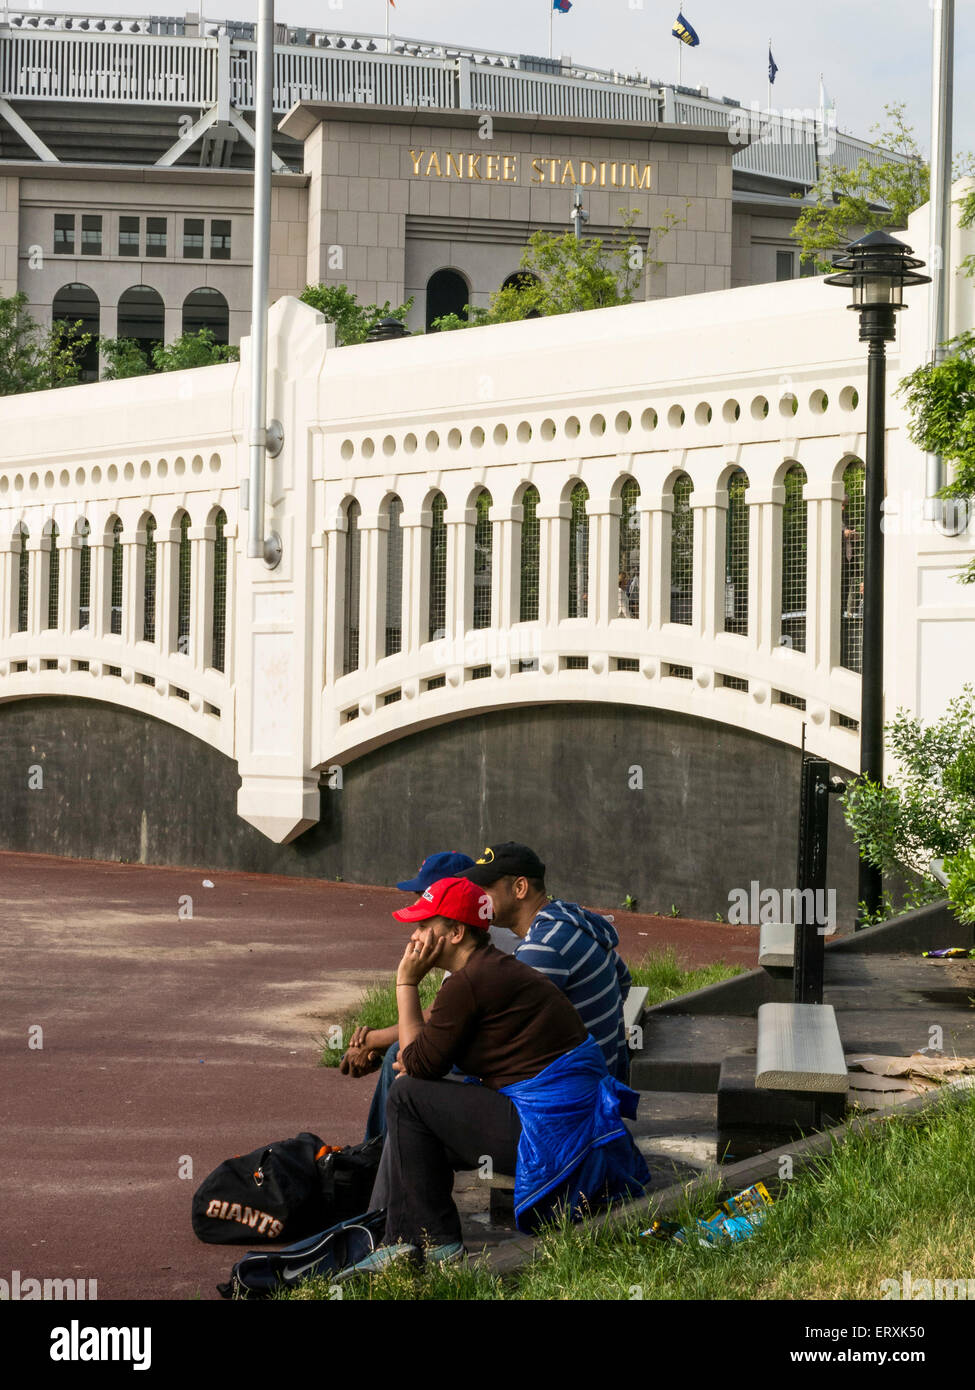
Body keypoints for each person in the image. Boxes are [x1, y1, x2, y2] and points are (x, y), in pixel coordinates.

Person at [340, 876, 648, 1277]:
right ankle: (400, 1236)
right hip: (569, 1122)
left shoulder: (470, 982)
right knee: (415, 1115)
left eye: (422, 926)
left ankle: (428, 1242)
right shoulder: (488, 969)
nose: (413, 938)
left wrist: (406, 982)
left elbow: (414, 1064)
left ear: (454, 931)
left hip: (556, 1134)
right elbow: (421, 1058)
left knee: (407, 1097)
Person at [339, 851, 519, 1140]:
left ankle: (375, 1160)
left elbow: (420, 1055)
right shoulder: (479, 949)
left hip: (525, 1118)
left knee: (405, 1079)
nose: (417, 906)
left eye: (426, 897)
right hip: (530, 1102)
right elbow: (441, 1019)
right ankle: (376, 1158)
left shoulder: (480, 954)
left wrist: (405, 984)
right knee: (403, 1061)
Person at [462, 843, 633, 1082]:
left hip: (568, 1101)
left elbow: (498, 1038)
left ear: (520, 888)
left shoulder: (544, 946)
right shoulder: (570, 922)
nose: (476, 897)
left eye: (485, 888)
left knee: (411, 1081)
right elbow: (624, 980)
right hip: (597, 1085)